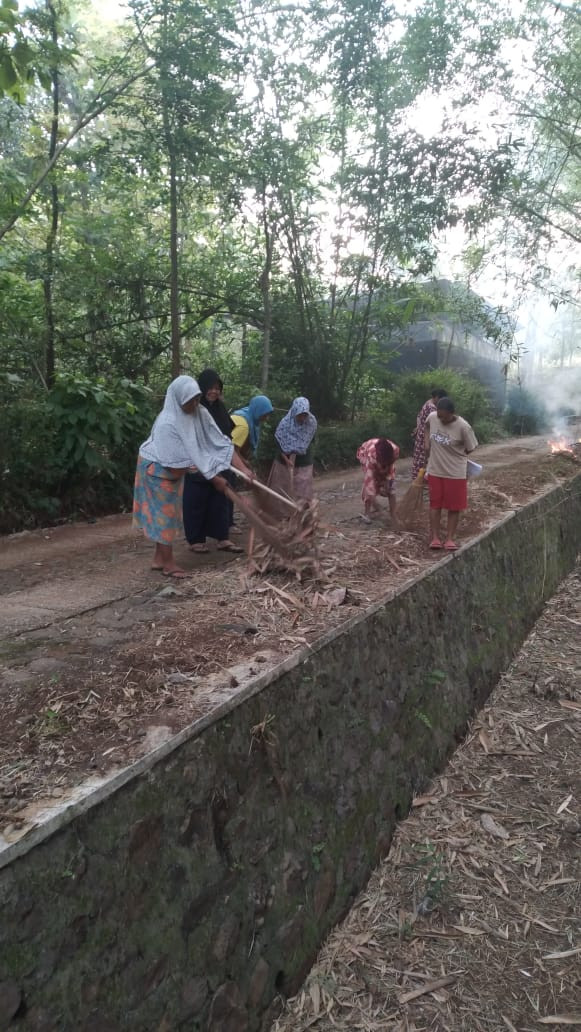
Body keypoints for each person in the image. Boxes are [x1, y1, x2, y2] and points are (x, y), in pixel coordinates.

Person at [133, 376, 253, 578]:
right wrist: (215, 478)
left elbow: (221, 442)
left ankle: (159, 559)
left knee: (166, 513)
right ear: (177, 399)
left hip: (174, 467)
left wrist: (244, 470)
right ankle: (168, 564)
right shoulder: (167, 423)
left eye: (197, 398)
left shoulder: (200, 412)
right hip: (157, 467)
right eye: (190, 400)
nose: (195, 404)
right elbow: (178, 466)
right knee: (164, 515)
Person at [182, 369, 242, 554]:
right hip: (197, 461)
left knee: (220, 501)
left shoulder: (219, 409)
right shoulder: (194, 409)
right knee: (197, 501)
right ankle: (196, 540)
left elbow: (225, 436)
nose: (214, 391)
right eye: (210, 387)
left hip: (219, 461)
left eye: (217, 388)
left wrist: (239, 463)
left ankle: (222, 538)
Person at [424, 396, 478, 551]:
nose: (441, 420)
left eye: (444, 417)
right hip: (435, 469)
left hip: (455, 472)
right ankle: (434, 537)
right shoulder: (433, 417)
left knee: (454, 507)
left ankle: (449, 539)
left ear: (452, 413)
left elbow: (471, 448)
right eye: (439, 416)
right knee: (435, 505)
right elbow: (427, 426)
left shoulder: (463, 427)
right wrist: (426, 442)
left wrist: (455, 453)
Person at [268, 397, 317, 510]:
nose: (302, 418)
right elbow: (278, 443)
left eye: (305, 415)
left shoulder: (311, 423)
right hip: (283, 460)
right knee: (282, 487)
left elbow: (311, 440)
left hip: (304, 459)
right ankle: (281, 513)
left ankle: (302, 512)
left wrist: (300, 450)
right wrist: (286, 459)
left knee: (302, 486)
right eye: (300, 415)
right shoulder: (285, 424)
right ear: (294, 411)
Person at [356, 437, 400, 526]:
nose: (384, 467)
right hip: (366, 452)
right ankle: (367, 513)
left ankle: (393, 515)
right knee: (370, 487)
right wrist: (381, 510)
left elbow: (390, 471)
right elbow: (370, 488)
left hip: (385, 459)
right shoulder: (371, 459)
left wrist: (387, 481)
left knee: (391, 488)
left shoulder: (395, 451)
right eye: (383, 465)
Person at [411, 387, 448, 480]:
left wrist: (418, 427)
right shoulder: (432, 408)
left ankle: (418, 477)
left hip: (421, 434)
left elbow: (419, 416)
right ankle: (423, 479)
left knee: (419, 457)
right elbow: (435, 424)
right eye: (440, 400)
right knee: (424, 457)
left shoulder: (427, 403)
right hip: (426, 435)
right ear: (436, 397)